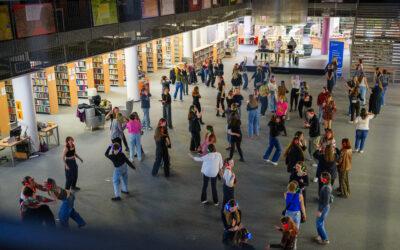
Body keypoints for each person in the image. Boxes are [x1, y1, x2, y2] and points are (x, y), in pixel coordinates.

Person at [284, 181, 306, 249]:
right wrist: (304, 214)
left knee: (287, 230)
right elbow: (302, 206)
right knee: (295, 231)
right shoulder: (300, 196)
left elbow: (286, 196)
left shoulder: (285, 194)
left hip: (288, 214)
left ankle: (287, 244)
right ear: (296, 189)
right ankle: (294, 245)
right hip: (297, 214)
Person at [315, 172, 333, 245]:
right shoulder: (327, 185)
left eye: (321, 177)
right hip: (323, 206)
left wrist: (320, 211)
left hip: (323, 207)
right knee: (320, 222)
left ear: (325, 179)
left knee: (319, 223)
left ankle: (325, 239)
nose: (320, 178)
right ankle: (320, 235)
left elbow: (325, 202)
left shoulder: (326, 189)